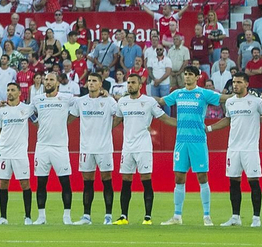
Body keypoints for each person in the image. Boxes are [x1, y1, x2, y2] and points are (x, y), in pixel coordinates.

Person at [160, 64, 219, 225]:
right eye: (185, 74)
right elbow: (161, 101)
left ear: (197, 77)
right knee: (179, 177)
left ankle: (206, 215)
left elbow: (222, 98)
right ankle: (177, 216)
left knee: (202, 176)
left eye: (190, 74)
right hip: (181, 141)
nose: (187, 76)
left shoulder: (203, 93)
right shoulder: (178, 93)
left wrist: (239, 96)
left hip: (198, 140)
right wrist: (143, 98)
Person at [212, 73, 262, 227]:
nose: (235, 85)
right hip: (233, 148)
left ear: (246, 84)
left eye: (239, 82)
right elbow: (227, 120)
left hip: (250, 149)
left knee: (253, 182)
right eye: (234, 82)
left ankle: (256, 218)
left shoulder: (256, 101)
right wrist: (210, 128)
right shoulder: (230, 102)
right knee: (234, 182)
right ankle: (235, 217)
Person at [113, 74, 168, 225]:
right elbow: (116, 121)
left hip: (143, 147)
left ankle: (147, 217)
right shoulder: (122, 102)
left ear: (140, 85)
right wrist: (100, 129)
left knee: (146, 179)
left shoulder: (149, 102)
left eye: (133, 82)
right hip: (127, 147)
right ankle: (123, 216)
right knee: (126, 180)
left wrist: (181, 124)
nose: (130, 85)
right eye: (128, 83)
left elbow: (164, 117)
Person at [29, 72, 76, 225]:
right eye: (46, 80)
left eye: (51, 80)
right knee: (41, 182)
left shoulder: (66, 98)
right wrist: (36, 123)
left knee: (65, 182)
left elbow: (82, 103)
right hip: (42, 146)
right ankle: (41, 217)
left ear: (57, 83)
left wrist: (68, 120)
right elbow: (27, 112)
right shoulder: (37, 99)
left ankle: (67, 216)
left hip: (60, 147)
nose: (48, 82)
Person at [73, 72, 119, 224]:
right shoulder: (81, 101)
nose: (91, 83)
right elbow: (71, 116)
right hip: (86, 148)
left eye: (94, 81)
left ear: (100, 84)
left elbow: (120, 115)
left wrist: (109, 127)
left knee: (106, 180)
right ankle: (86, 216)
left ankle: (108, 216)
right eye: (89, 80)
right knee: (87, 182)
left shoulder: (109, 101)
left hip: (104, 147)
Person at [0, 81, 36, 225]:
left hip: (20, 152)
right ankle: (3, 217)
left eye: (12, 90)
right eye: (8, 90)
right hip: (4, 152)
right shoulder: (0, 111)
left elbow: (37, 119)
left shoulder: (26, 109)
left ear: (19, 93)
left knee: (25, 183)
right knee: (3, 183)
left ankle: (28, 217)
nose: (9, 92)